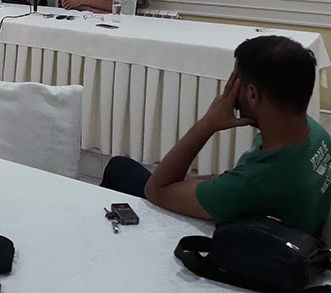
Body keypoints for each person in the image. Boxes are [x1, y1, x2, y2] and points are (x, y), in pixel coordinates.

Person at [100, 35, 331, 235]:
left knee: (119, 168)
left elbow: (156, 190)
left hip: (232, 239)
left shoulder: (255, 183)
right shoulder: (316, 133)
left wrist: (207, 124)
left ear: (252, 94)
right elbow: (236, 182)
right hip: (282, 228)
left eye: (236, 81)